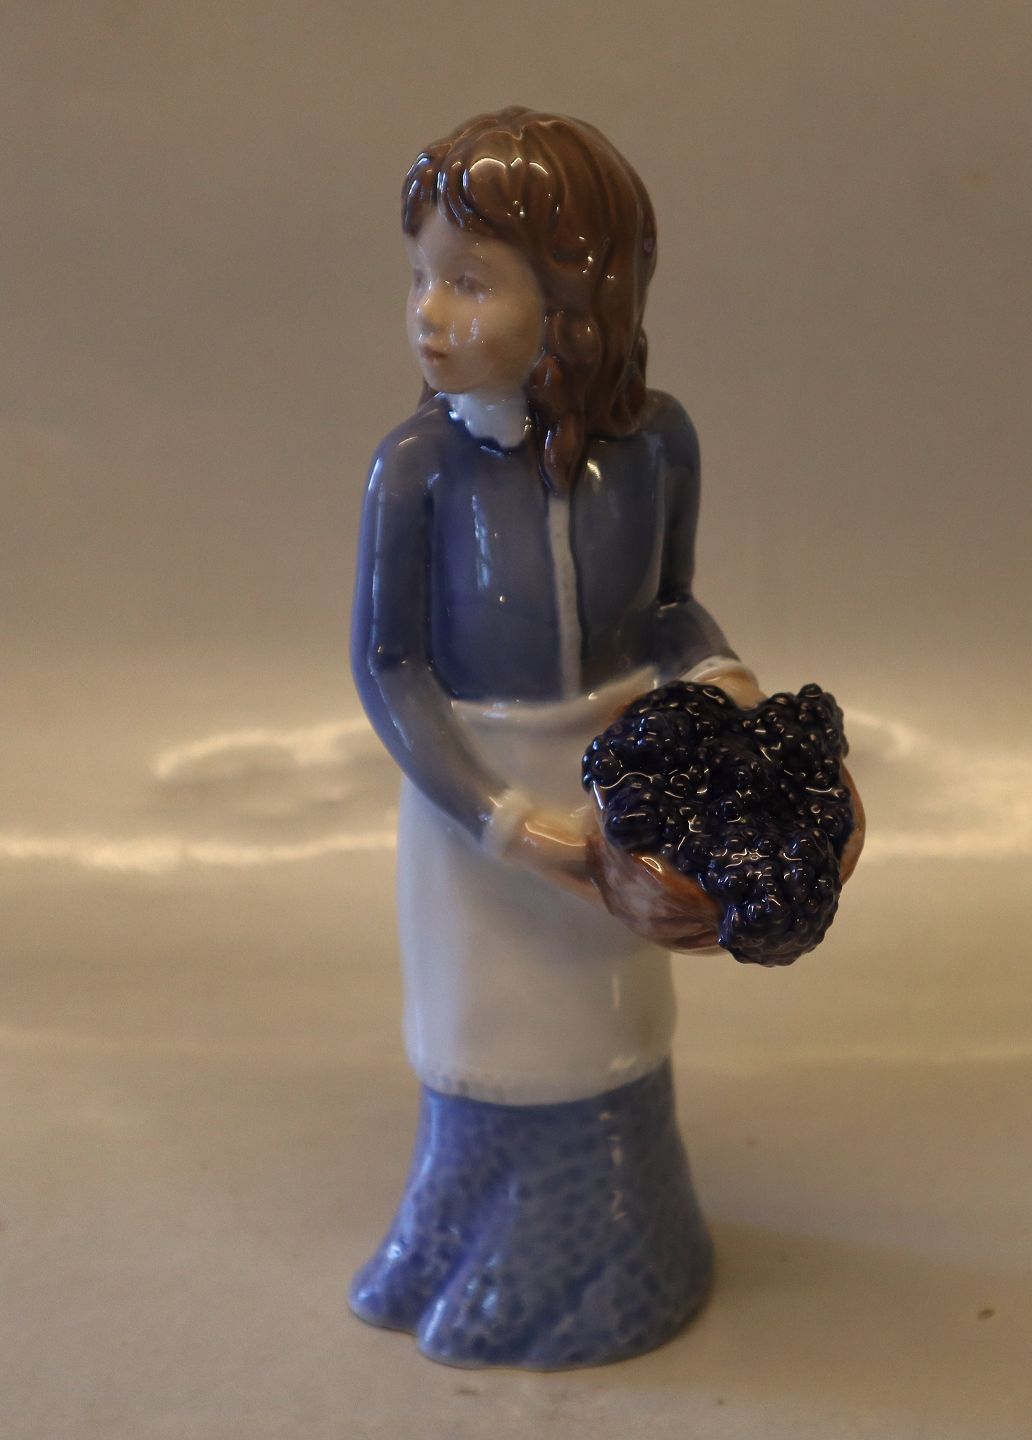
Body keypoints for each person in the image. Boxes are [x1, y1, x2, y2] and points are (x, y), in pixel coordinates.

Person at [348, 106, 762, 1370]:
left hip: (616, 790)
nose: (428, 313)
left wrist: (726, 683)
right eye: (419, 275)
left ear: (581, 298)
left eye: (469, 281)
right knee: (480, 1030)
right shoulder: (415, 470)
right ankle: (460, 1213)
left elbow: (670, 608)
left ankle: (609, 1244)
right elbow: (389, 668)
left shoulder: (655, 446)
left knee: (604, 1022)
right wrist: (503, 822)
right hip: (475, 805)